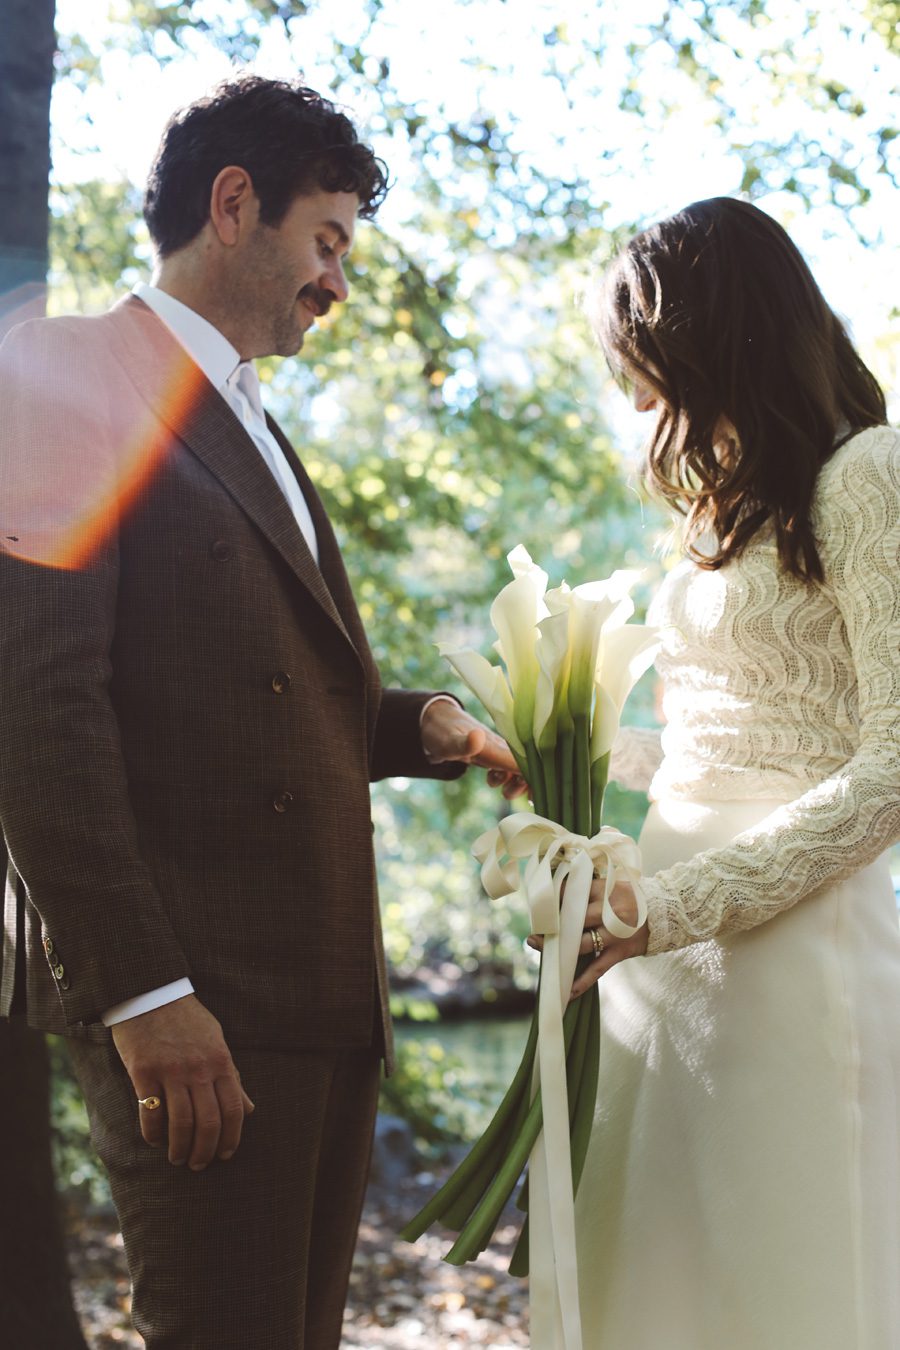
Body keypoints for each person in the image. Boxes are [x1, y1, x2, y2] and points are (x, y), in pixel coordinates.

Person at [0, 76, 522, 1349]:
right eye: (326, 242)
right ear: (234, 205)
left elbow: (244, 691)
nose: (337, 283)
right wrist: (144, 997)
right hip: (201, 1007)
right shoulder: (62, 374)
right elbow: (36, 708)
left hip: (319, 995)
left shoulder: (254, 425)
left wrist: (420, 726)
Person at [568, 198, 900, 1349]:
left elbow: (891, 765)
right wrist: (569, 752)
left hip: (788, 950)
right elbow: (730, 747)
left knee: (785, 1286)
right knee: (662, 1287)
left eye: (647, 366)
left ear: (712, 336)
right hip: (658, 956)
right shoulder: (734, 502)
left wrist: (678, 906)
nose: (640, 404)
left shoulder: (868, 475)